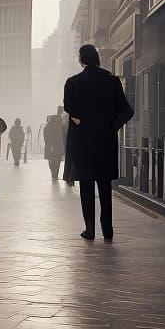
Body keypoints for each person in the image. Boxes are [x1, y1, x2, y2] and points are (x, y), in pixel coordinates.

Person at [64, 44, 133, 241]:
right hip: (106, 141)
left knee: (86, 186)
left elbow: (69, 107)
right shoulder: (112, 81)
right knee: (104, 187)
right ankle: (108, 229)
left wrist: (81, 121)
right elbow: (127, 110)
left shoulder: (73, 82)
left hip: (84, 142)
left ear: (81, 59)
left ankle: (90, 228)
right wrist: (112, 126)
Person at [43, 107, 64, 179]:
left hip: (53, 143)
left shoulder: (52, 119)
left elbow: (45, 130)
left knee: (53, 159)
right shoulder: (60, 120)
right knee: (57, 159)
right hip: (58, 143)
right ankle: (55, 173)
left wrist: (48, 141)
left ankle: (54, 173)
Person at [61, 113, 74, 186]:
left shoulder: (64, 125)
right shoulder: (66, 125)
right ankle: (70, 178)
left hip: (68, 146)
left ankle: (68, 178)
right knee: (70, 162)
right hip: (69, 146)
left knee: (69, 162)